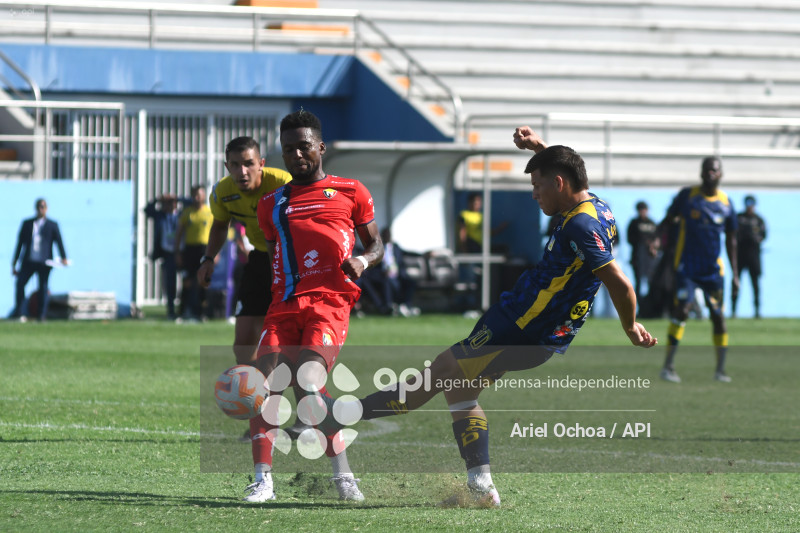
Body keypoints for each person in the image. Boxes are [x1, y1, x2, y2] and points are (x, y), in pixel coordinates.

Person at [331, 127, 656, 506]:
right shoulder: (595, 205)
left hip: (520, 327)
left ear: (559, 183)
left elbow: (620, 282)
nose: (534, 194)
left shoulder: (583, 225)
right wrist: (539, 147)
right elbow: (566, 167)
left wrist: (630, 325)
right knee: (460, 389)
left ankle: (341, 416)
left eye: (538, 186)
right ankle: (481, 486)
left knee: (438, 375)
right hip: (529, 327)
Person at [244, 109, 383, 503]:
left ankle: (344, 478)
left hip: (330, 305)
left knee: (307, 384)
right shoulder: (271, 203)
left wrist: (364, 261)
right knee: (262, 387)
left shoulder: (352, 191)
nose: (297, 155)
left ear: (320, 147)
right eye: (289, 150)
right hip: (284, 307)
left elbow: (377, 245)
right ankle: (262, 480)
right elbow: (277, 254)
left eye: (303, 146)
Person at [659, 157, 738, 384]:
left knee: (718, 317)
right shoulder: (688, 196)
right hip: (687, 267)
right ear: (701, 173)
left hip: (713, 271)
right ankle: (668, 366)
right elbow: (668, 219)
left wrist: (736, 274)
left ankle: (720, 370)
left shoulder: (726, 203)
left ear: (721, 174)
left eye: (714, 170)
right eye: (707, 170)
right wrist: (658, 239)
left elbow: (732, 240)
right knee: (682, 310)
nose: (710, 173)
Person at [10, 198, 68, 321]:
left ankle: (41, 316)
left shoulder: (52, 225)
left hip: (44, 263)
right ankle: (19, 313)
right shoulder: (27, 223)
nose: (40, 209)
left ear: (46, 208)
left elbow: (59, 242)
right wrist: (15, 262)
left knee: (43, 288)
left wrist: (64, 257)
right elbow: (20, 244)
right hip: (28, 261)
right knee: (20, 284)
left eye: (43, 206)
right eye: (38, 206)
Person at [174, 185, 213, 321]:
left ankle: (201, 313)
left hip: (204, 250)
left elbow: (216, 233)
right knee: (187, 281)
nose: (197, 198)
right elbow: (179, 233)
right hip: (190, 250)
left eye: (199, 195)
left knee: (203, 281)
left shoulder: (209, 213)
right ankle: (183, 312)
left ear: (203, 196)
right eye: (195, 195)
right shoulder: (187, 213)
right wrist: (178, 252)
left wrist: (215, 254)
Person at [144, 194, 183, 319]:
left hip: (182, 252)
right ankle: (171, 310)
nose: (170, 205)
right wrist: (158, 199)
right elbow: (147, 210)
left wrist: (178, 197)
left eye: (172, 202)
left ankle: (185, 308)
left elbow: (192, 202)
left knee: (187, 281)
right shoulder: (160, 216)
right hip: (167, 253)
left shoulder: (182, 214)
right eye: (167, 203)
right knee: (169, 283)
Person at [731, 195, 766, 319]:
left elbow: (763, 235)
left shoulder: (758, 220)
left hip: (753, 257)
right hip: (740, 256)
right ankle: (733, 311)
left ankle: (757, 311)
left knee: (755, 284)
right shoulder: (739, 218)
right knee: (736, 282)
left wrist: (754, 239)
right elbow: (732, 234)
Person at [626, 200, 660, 298]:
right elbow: (630, 239)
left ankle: (650, 306)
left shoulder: (652, 223)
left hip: (650, 258)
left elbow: (657, 239)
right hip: (638, 257)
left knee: (651, 281)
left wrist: (653, 246)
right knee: (639, 282)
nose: (643, 212)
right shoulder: (634, 223)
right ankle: (638, 305)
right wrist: (644, 242)